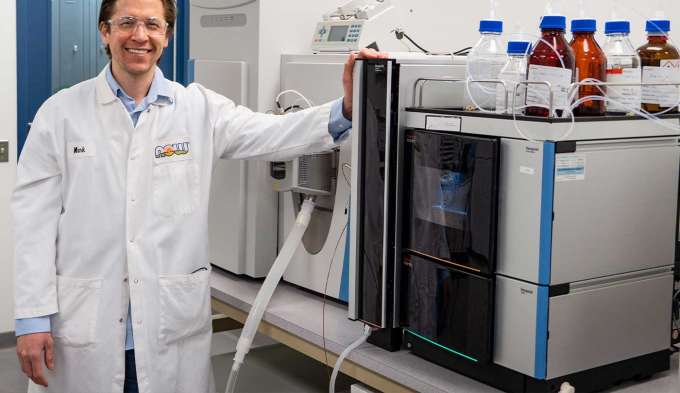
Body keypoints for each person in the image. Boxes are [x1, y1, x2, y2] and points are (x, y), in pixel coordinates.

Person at [12, 0, 386, 392]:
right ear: (105, 32)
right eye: (126, 23)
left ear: (167, 36)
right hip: (84, 329)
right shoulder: (61, 114)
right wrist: (33, 318)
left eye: (152, 25)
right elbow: (32, 223)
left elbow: (269, 133)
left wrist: (344, 109)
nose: (140, 36)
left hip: (168, 328)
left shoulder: (197, 108)